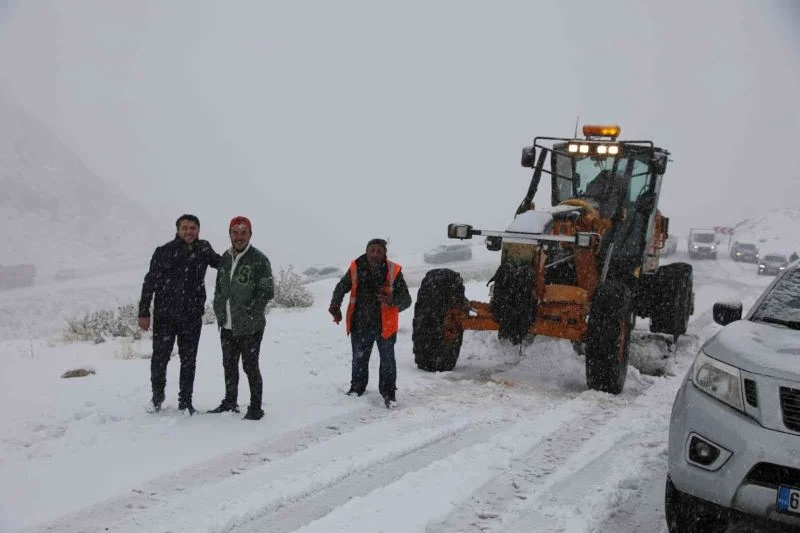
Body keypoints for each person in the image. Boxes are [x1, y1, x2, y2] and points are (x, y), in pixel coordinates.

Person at [138, 214, 221, 415]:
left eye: (193, 228)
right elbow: (149, 283)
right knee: (160, 358)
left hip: (191, 316)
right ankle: (157, 396)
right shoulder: (163, 252)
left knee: (189, 359)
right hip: (165, 315)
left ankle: (186, 401)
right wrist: (144, 311)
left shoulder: (203, 249)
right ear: (177, 230)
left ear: (198, 230)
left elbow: (222, 264)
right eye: (184, 228)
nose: (189, 232)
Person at [328, 238, 412, 408]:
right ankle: (357, 388)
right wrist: (335, 305)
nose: (375, 254)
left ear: (384, 254)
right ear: (366, 251)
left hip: (384, 326)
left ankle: (389, 394)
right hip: (360, 323)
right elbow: (341, 287)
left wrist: (392, 300)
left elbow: (407, 300)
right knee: (359, 358)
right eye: (372, 250)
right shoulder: (356, 267)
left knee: (387, 361)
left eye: (379, 251)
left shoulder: (393, 270)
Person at [208, 216, 274, 421]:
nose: (239, 237)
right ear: (229, 234)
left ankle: (255, 408)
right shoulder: (225, 258)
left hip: (250, 326)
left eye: (243, 232)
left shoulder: (259, 259)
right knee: (228, 364)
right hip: (227, 324)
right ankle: (230, 401)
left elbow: (267, 291)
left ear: (250, 234)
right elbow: (220, 286)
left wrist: (250, 310)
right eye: (234, 232)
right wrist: (219, 305)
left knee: (250, 366)